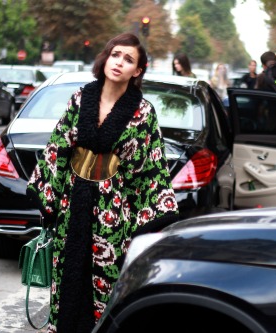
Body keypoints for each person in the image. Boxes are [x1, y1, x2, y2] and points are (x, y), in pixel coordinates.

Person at [26, 33, 180, 333]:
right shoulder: (81, 98)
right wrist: (49, 202)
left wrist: (143, 224)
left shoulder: (143, 112)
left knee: (105, 285)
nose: (119, 63)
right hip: (72, 205)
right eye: (115, 54)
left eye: (129, 59)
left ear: (137, 71)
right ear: (105, 58)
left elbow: (150, 170)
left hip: (113, 212)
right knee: (67, 281)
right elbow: (57, 149)